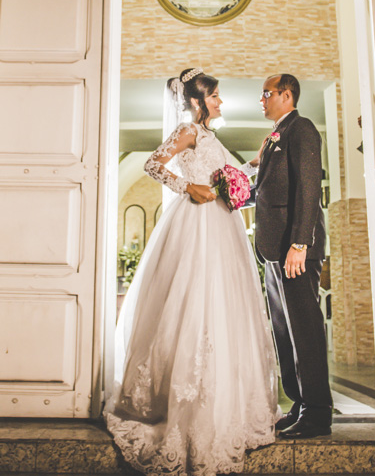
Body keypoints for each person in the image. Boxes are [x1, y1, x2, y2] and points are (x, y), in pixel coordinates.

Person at [105, 68, 278, 475]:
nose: (220, 102)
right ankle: (177, 404)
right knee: (191, 301)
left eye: (219, 96)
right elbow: (152, 163)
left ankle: (223, 405)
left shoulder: (214, 139)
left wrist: (256, 161)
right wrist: (187, 187)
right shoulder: (188, 131)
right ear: (198, 101)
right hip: (195, 224)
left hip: (222, 227)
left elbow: (231, 181)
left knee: (223, 307)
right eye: (215, 96)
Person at [254, 73, 332, 438]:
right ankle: (299, 403)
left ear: (286, 95)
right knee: (284, 330)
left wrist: (301, 243)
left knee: (305, 329)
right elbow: (270, 190)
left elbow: (308, 188)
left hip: (295, 250)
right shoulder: (276, 136)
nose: (262, 99)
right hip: (275, 250)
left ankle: (318, 412)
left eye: (266, 93)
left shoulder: (302, 130)